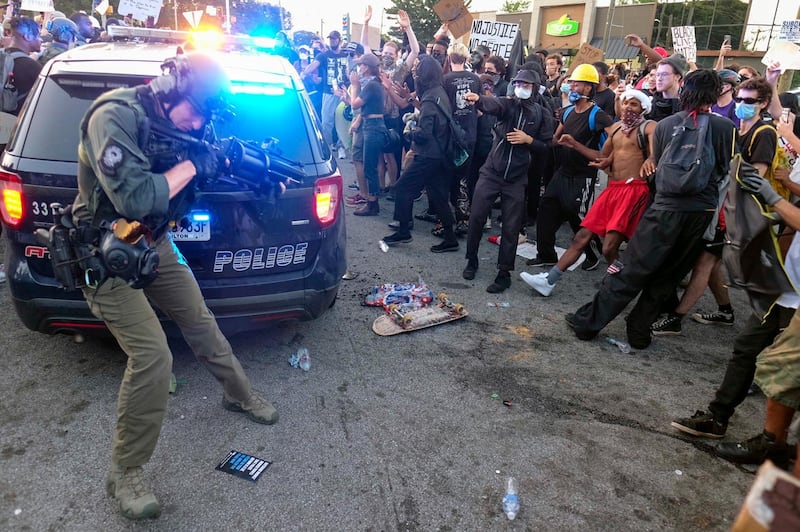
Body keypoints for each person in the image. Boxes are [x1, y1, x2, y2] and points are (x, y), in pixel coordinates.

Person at [71, 52, 279, 520]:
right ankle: (125, 472)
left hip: (153, 243)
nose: (200, 123)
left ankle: (238, 394)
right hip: (105, 252)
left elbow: (207, 160)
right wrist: (194, 163)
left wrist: (258, 176)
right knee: (152, 355)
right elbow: (136, 197)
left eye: (208, 117)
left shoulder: (187, 123)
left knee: (198, 319)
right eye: (198, 111)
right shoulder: (115, 117)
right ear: (170, 91)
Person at [566, 69, 736, 349]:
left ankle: (588, 322)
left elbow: (656, 167)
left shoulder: (667, 124)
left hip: (665, 207)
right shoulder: (725, 128)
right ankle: (639, 330)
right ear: (716, 94)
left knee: (630, 267)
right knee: (669, 274)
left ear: (685, 91)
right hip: (700, 212)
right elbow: (724, 171)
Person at [521, 89, 655, 296]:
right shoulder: (618, 129)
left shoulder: (648, 127)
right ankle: (549, 280)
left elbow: (654, 152)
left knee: (609, 247)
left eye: (634, 104)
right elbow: (601, 155)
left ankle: (618, 278)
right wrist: (576, 145)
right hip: (613, 190)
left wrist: (651, 159)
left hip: (634, 190)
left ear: (644, 108)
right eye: (626, 103)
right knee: (582, 236)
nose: (628, 107)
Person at [713, 175, 800, 474]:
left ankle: (776, 451)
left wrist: (776, 196)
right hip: (787, 285)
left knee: (785, 371)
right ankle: (725, 420)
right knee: (765, 359)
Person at [461, 70, 554, 293]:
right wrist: (478, 99)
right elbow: (494, 104)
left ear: (535, 88)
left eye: (526, 84)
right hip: (491, 172)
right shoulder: (508, 104)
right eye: (518, 83)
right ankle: (471, 260)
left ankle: (504, 273)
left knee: (511, 228)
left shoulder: (542, 114)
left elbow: (547, 147)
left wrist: (529, 140)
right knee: (476, 217)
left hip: (516, 178)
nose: (521, 87)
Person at [529, 63, 612, 269]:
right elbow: (556, 138)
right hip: (562, 173)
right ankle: (546, 254)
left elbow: (612, 144)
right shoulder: (567, 112)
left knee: (578, 217)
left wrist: (575, 145)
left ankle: (592, 255)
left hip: (583, 176)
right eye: (571, 83)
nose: (572, 87)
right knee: (546, 210)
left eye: (577, 84)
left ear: (588, 88)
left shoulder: (597, 115)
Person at [382, 55, 457, 252]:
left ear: (424, 74)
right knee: (439, 197)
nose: (415, 73)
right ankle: (450, 238)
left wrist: (410, 131)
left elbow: (424, 133)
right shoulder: (438, 92)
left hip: (428, 154)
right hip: (440, 154)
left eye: (417, 70)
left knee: (401, 188)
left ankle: (404, 230)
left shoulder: (431, 97)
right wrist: (411, 100)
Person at [302, 30, 349, 159]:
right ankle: (328, 146)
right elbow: (313, 65)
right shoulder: (324, 55)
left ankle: (341, 147)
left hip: (344, 92)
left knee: (343, 121)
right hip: (328, 93)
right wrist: (304, 73)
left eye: (334, 39)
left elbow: (350, 70)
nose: (332, 41)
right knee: (326, 122)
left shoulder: (346, 55)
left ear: (339, 40)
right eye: (330, 39)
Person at [3, 17, 42, 116]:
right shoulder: (33, 67)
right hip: (13, 124)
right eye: (38, 35)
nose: (40, 39)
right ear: (27, 37)